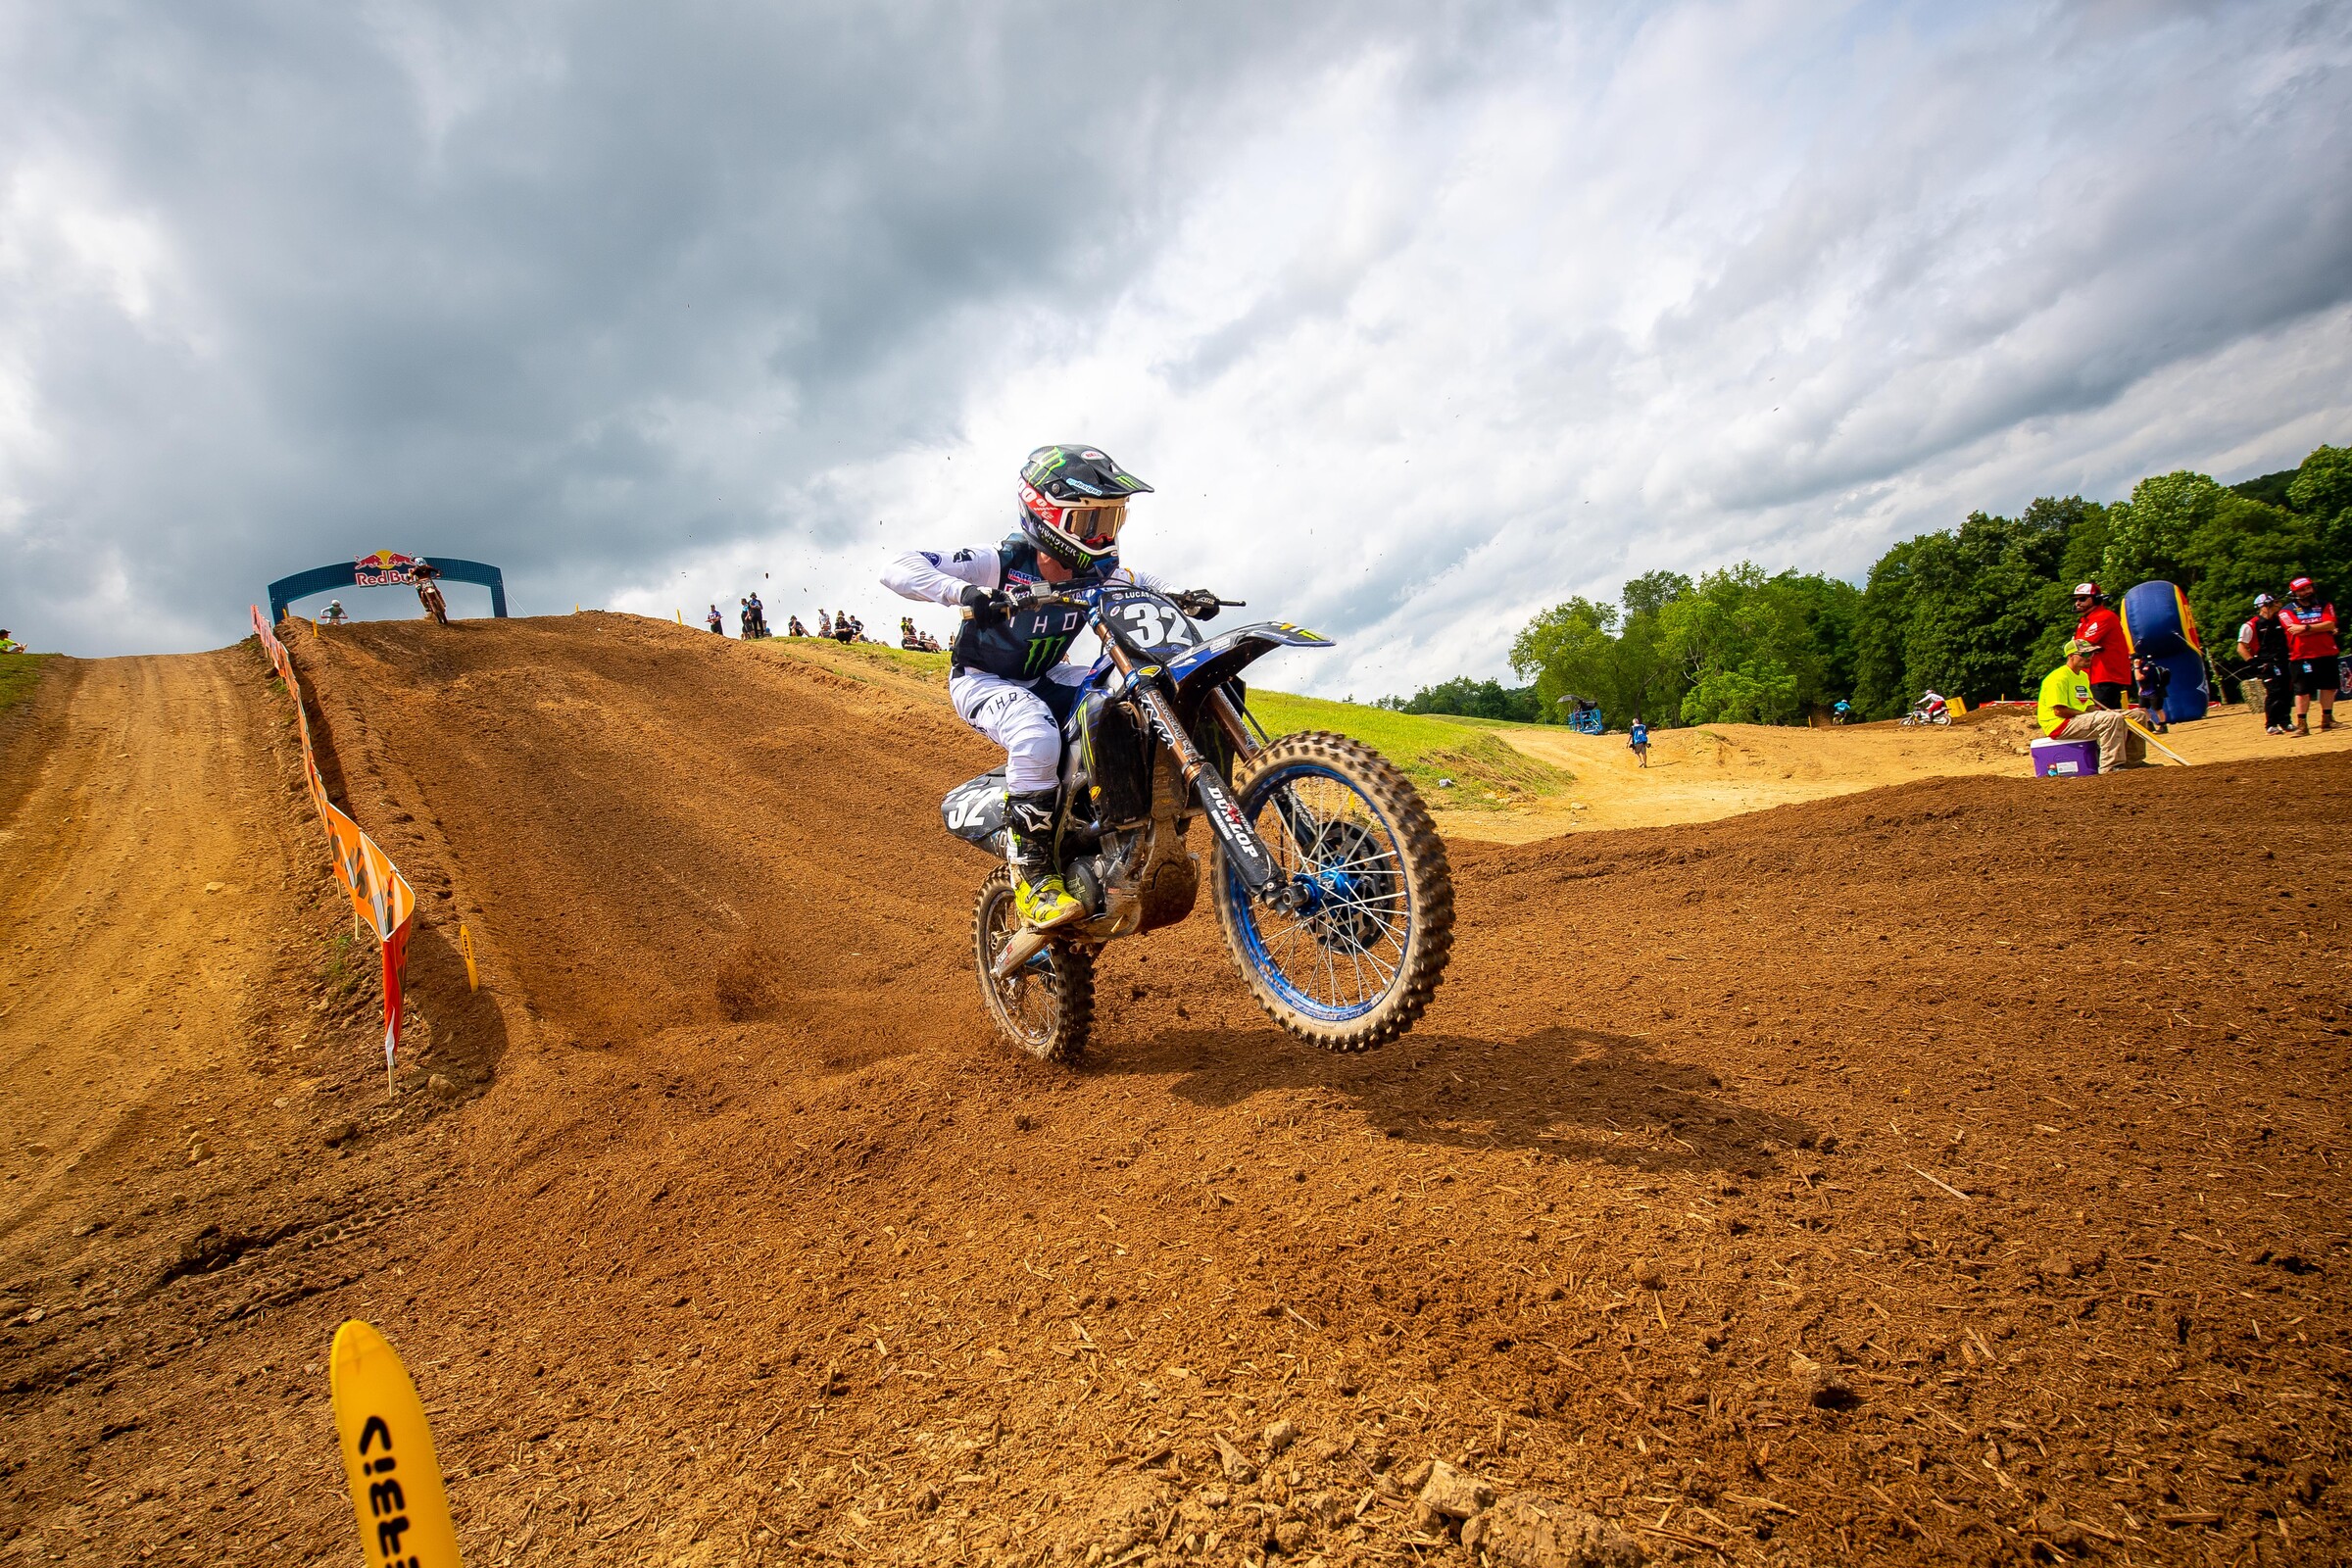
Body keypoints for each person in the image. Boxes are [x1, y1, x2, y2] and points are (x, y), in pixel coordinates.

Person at [881, 442, 1222, 929]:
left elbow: (1140, 581)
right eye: (1091, 523)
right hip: (984, 680)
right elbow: (898, 567)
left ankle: (1104, 822)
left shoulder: (1100, 569)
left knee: (1124, 692)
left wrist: (1182, 597)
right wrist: (965, 592)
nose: (1102, 536)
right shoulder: (1002, 561)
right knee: (1036, 735)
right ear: (1049, 518)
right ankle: (1032, 873)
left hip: (1045, 677)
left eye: (1111, 521)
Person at [2038, 638, 2148, 771]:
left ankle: (2133, 762)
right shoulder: (2058, 678)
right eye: (2085, 654)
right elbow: (2059, 711)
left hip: (2078, 719)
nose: (2090, 657)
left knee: (2138, 715)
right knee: (2111, 719)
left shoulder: (2083, 676)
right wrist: (2098, 715)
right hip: (2059, 724)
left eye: (2092, 654)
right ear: (2071, 656)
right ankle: (2111, 766)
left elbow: (2088, 705)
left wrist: (2100, 712)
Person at [2278, 576, 2338, 735]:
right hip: (2301, 655)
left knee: (2329, 687)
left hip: (2327, 651)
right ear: (2294, 593)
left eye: (2308, 588)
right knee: (2302, 691)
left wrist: (2305, 627)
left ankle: (2327, 719)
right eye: (2302, 590)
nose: (2307, 592)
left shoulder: (2325, 605)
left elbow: (2330, 624)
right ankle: (2302, 724)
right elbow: (2293, 630)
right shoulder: (2286, 610)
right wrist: (2319, 627)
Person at [2069, 583, 2133, 710]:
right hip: (2094, 675)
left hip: (2105, 675)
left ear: (2096, 599)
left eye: (2082, 599)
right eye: (2076, 599)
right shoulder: (2085, 621)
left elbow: (2082, 644)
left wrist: (2071, 646)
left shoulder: (2104, 617)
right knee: (2112, 716)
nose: (2077, 602)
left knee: (2102, 716)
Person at [2238, 594, 2293, 734]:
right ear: (2265, 605)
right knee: (2274, 692)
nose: (2278, 604)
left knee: (2287, 691)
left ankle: (2285, 721)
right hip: (2266, 663)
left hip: (2283, 660)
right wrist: (2253, 663)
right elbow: (2241, 647)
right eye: (2274, 602)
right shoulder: (2251, 625)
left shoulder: (2280, 620)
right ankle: (2271, 724)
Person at [2132, 653, 2171, 732]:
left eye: (2132, 660)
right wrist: (2141, 688)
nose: (2131, 662)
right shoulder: (2138, 667)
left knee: (2157, 709)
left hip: (2153, 690)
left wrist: (2136, 667)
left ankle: (2163, 725)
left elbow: (2139, 677)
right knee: (2142, 708)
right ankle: (2149, 724)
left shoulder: (2147, 666)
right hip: (2144, 691)